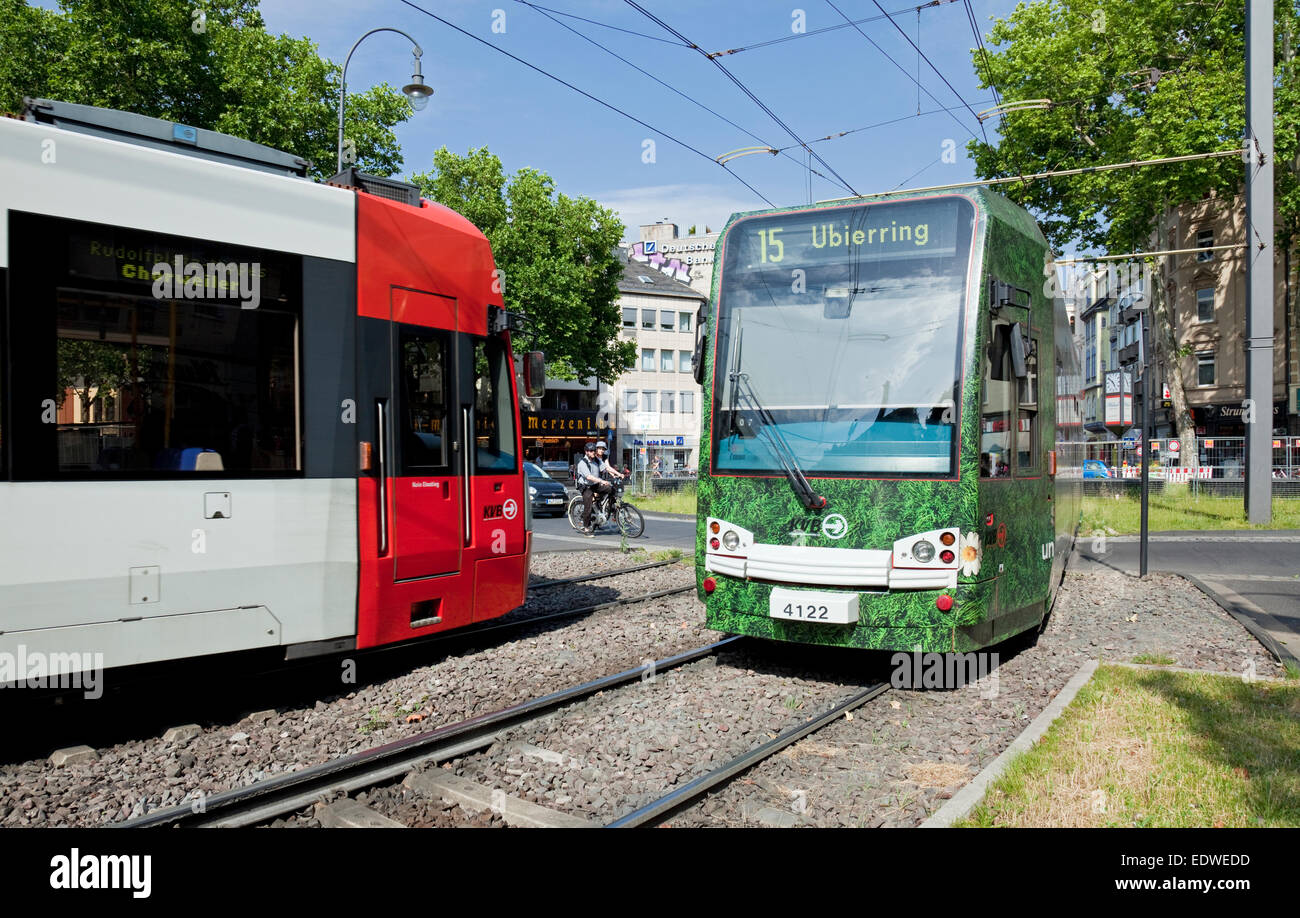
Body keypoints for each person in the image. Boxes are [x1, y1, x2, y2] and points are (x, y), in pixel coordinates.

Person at [575, 442, 610, 536]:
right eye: (591, 451)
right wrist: (601, 481)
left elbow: (606, 468)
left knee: (610, 489)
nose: (593, 452)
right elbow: (589, 477)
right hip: (586, 487)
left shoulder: (597, 460)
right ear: (586, 452)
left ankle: (601, 505)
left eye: (594, 450)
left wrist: (617, 475)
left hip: (595, 485)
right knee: (588, 508)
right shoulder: (582, 463)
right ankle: (586, 527)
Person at [594, 441, 624, 515]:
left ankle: (604, 508)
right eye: (600, 448)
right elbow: (607, 468)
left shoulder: (604, 456)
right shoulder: (594, 457)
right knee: (595, 494)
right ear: (596, 449)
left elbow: (608, 466)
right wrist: (618, 473)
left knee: (607, 490)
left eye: (603, 449)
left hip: (601, 477)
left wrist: (613, 475)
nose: (601, 450)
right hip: (594, 477)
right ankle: (593, 508)